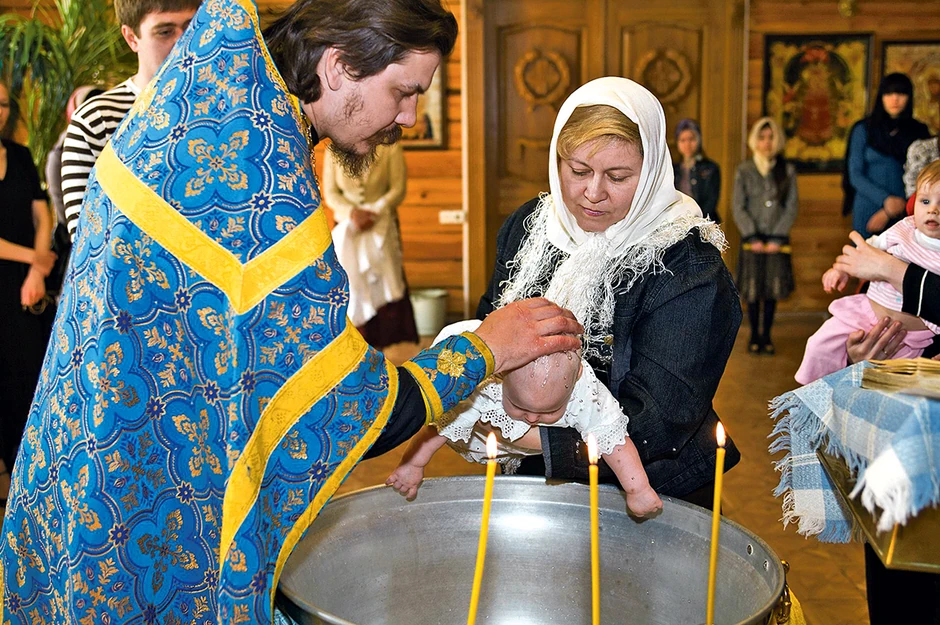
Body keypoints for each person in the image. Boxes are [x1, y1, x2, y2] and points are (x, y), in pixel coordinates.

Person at [0, 1, 583, 623]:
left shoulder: (209, 102)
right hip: (140, 521)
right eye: (404, 92)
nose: (410, 118)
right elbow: (347, 407)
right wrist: (485, 348)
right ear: (336, 68)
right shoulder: (263, 189)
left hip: (70, 478)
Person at [477, 77, 741, 509]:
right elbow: (491, 325)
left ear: (653, 168)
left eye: (618, 176)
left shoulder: (688, 265)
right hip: (528, 469)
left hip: (647, 485)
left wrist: (523, 439)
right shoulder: (532, 226)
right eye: (578, 171)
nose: (593, 193)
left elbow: (661, 415)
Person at [386, 319, 663, 517]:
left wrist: (637, 488)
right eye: (518, 405)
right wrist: (413, 464)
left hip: (529, 453)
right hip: (477, 433)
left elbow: (614, 439)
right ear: (503, 376)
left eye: (548, 411)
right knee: (450, 416)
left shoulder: (587, 393)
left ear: (575, 379)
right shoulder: (483, 386)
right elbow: (437, 431)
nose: (531, 417)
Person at [60, 0, 201, 242]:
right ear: (131, 37)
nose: (182, 41)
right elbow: (85, 239)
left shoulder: (223, 107)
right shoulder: (96, 119)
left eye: (192, 27)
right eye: (165, 32)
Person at [795, 161, 940, 384]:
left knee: (890, 389)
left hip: (910, 338)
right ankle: (813, 396)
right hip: (866, 314)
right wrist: (841, 268)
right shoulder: (905, 229)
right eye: (925, 201)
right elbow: (869, 248)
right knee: (819, 344)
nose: (933, 210)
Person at [0, 79, 56, 506]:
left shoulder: (18, 155)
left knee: (30, 392)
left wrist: (36, 267)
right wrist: (35, 261)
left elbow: (43, 212)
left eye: (3, 103)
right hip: (14, 282)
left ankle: (34, 497)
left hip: (25, 292)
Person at [323, 142, 419, 348]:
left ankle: (381, 348)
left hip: (381, 224)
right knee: (349, 281)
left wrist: (376, 210)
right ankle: (351, 347)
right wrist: (352, 214)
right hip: (346, 226)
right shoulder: (333, 150)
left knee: (383, 281)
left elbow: (397, 189)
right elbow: (330, 193)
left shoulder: (390, 147)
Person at [732, 117, 798, 355]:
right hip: (752, 241)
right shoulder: (745, 170)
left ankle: (767, 335)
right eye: (762, 137)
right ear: (755, 140)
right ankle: (754, 335)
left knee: (772, 289)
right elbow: (738, 206)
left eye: (771, 137)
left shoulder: (787, 170)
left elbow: (791, 207)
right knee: (752, 289)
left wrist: (776, 238)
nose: (767, 142)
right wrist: (752, 236)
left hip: (776, 242)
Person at [846, 73, 930, 239]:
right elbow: (855, 174)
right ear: (881, 97)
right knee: (864, 257)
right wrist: (885, 201)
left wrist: (895, 207)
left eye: (901, 93)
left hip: (907, 209)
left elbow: (925, 176)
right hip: (868, 206)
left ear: (909, 97)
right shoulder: (863, 129)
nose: (895, 99)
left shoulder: (919, 131)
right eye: (889, 94)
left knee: (903, 258)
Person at [673, 118, 721, 223]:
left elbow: (711, 201)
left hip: (704, 222)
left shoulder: (710, 168)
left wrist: (697, 220)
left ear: (699, 140)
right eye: (683, 140)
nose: (687, 144)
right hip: (677, 223)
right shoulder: (673, 169)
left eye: (691, 139)